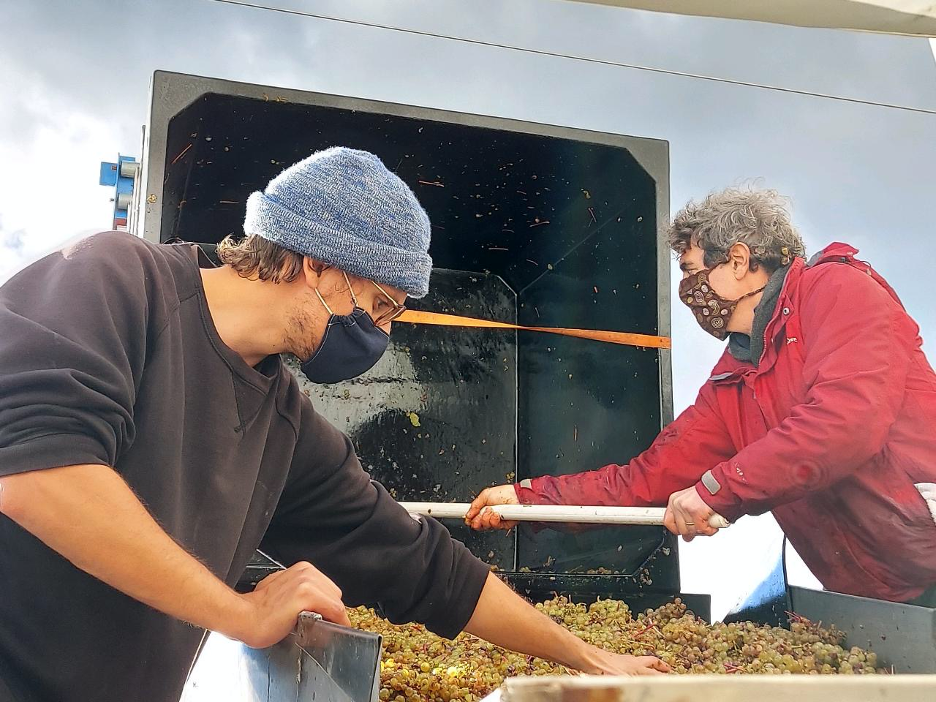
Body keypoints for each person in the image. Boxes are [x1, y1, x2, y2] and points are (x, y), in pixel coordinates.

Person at [0, 148, 668, 702]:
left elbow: (420, 562)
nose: (378, 336)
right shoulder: (117, 279)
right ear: (314, 260)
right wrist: (240, 613)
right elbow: (36, 470)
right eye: (378, 307)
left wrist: (585, 656)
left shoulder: (283, 424)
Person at [467, 187, 936, 606]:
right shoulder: (731, 381)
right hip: (879, 598)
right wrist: (526, 500)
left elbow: (845, 424)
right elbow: (646, 482)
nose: (688, 293)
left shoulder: (838, 290)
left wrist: (719, 490)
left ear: (737, 260)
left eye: (692, 271)